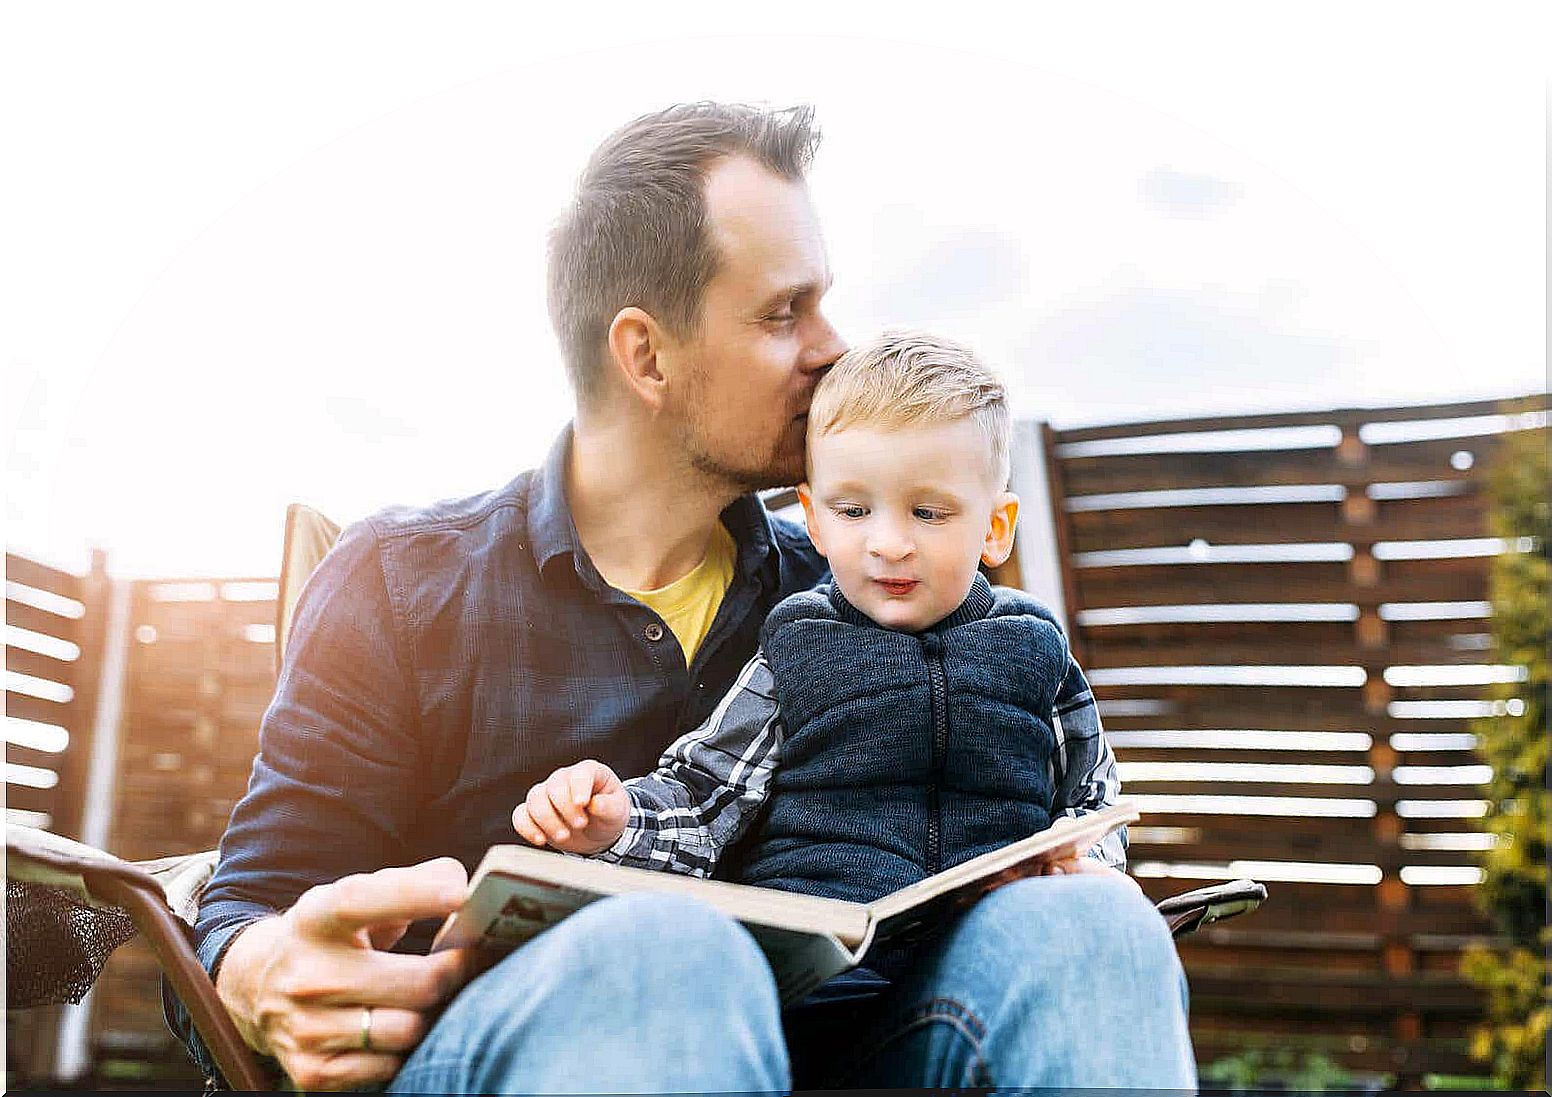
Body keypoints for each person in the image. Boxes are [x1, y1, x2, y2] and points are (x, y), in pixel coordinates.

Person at [172, 102, 1195, 1093]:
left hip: (847, 1051)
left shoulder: (855, 596)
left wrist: (1055, 869)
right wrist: (259, 973)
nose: (834, 344)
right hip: (488, 1056)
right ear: (646, 355)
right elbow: (250, 900)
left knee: (1094, 926)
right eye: (783, 311)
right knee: (663, 946)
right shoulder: (401, 580)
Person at [512, 330, 1129, 908]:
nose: (888, 543)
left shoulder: (1033, 648)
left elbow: (1092, 796)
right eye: (854, 509)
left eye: (929, 513)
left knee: (1097, 924)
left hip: (987, 946)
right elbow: (706, 797)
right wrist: (616, 822)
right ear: (815, 520)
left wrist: (1088, 864)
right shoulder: (797, 648)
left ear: (994, 529)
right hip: (826, 940)